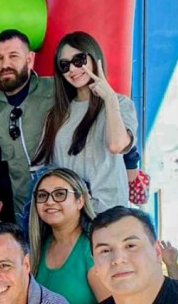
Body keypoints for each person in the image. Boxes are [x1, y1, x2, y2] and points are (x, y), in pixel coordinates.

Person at [33, 31, 137, 213]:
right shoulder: (56, 114)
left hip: (109, 214)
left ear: (94, 58)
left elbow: (116, 145)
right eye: (64, 65)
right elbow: (45, 166)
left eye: (79, 60)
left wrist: (110, 99)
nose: (72, 69)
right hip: (70, 216)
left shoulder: (120, 103)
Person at [0, 29, 54, 217]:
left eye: (13, 56)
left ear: (30, 58)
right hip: (25, 216)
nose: (5, 64)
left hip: (67, 210)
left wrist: (130, 164)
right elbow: (2, 174)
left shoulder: (57, 92)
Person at [28, 167, 109, 304]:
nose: (49, 201)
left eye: (60, 194)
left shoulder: (93, 247)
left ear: (80, 201)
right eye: (42, 195)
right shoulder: (40, 246)